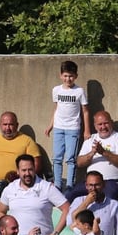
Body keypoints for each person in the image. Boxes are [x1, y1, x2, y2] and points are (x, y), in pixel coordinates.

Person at [0, 112, 44, 205]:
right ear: (0, 125)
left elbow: (37, 164)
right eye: (5, 125)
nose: (7, 128)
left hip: (17, 184)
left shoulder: (27, 140)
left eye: (11, 125)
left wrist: (21, 176)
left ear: (17, 125)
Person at [45, 60, 91, 194]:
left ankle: (70, 185)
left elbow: (85, 111)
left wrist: (86, 130)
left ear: (76, 76)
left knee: (71, 158)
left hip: (73, 128)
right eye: (65, 75)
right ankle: (58, 184)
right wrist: (50, 125)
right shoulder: (56, 90)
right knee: (57, 157)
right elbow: (56, 108)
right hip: (59, 127)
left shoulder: (79, 91)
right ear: (60, 75)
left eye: (71, 76)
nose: (68, 79)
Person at [74, 110, 118, 203]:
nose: (103, 127)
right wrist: (92, 153)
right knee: (70, 196)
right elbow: (79, 163)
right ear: (95, 126)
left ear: (111, 123)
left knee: (108, 201)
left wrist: (103, 152)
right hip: (90, 183)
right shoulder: (90, 140)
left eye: (106, 123)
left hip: (111, 181)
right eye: (100, 124)